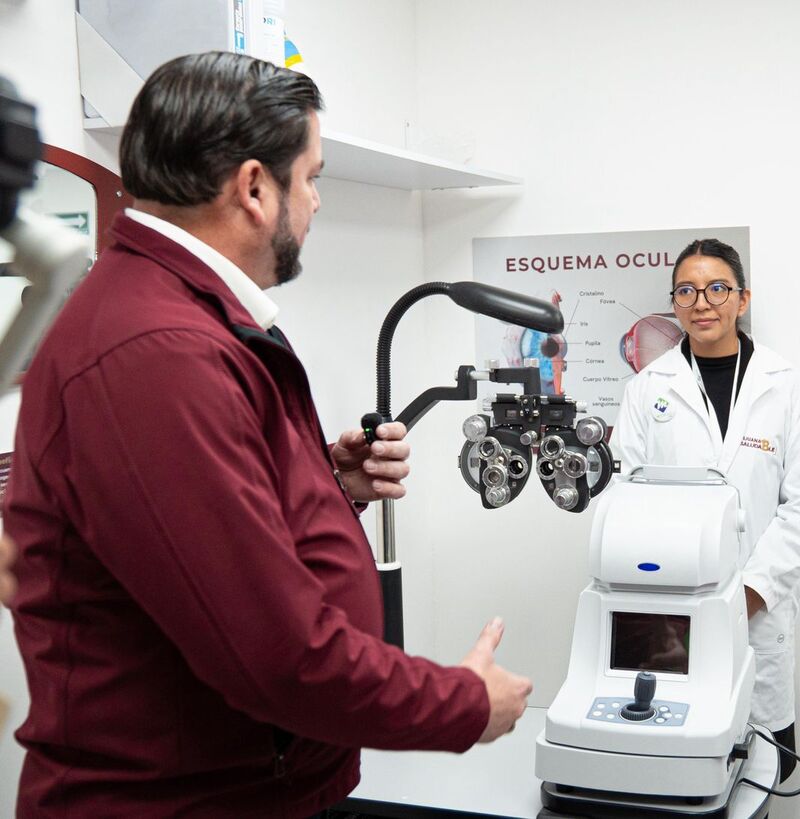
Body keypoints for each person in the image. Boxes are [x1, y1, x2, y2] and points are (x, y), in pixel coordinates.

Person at [1, 52, 531, 817]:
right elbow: (279, 656)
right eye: (311, 177)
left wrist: (323, 483)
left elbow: (200, 540)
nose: (317, 203)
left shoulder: (180, 318)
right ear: (254, 188)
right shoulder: (157, 353)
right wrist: (464, 703)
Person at [614, 238, 800, 782]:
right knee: (678, 757)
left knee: (757, 769)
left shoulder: (786, 388)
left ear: (742, 298)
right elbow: (629, 500)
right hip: (669, 608)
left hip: (761, 607)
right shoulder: (646, 390)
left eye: (716, 288)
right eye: (686, 290)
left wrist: (751, 593)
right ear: (674, 302)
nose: (701, 302)